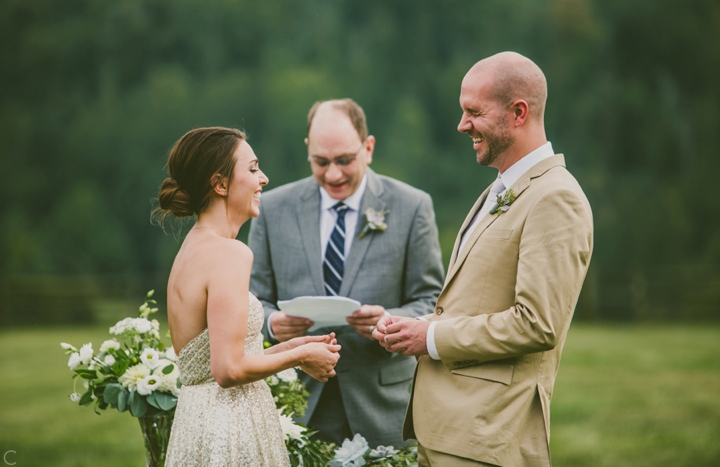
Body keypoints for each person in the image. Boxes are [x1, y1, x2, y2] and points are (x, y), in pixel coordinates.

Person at [374, 52, 594, 466]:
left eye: (473, 112)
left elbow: (537, 323)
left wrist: (431, 338)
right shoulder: (503, 188)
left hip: (487, 436)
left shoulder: (555, 197)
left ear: (518, 113)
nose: (462, 125)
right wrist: (418, 326)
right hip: (447, 431)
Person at [247, 99, 444, 448]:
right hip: (296, 404)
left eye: (344, 161)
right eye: (321, 162)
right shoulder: (272, 208)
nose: (333, 174)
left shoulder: (412, 206)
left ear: (368, 148)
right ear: (308, 149)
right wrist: (272, 323)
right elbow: (250, 299)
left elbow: (431, 300)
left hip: (384, 407)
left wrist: (389, 321)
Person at [154, 127, 341, 466]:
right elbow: (228, 369)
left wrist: (301, 347)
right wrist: (300, 358)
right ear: (221, 184)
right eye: (253, 169)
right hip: (230, 426)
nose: (264, 179)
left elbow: (223, 356)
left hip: (195, 421)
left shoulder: (192, 249)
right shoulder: (230, 253)